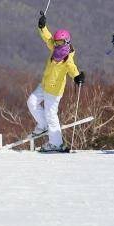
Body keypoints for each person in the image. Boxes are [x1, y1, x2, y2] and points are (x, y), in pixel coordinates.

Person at [28, 13, 85, 153]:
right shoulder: (54, 48)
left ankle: (56, 143)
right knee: (31, 102)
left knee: (51, 115)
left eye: (59, 42)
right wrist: (42, 27)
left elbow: (72, 69)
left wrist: (77, 77)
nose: (56, 44)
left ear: (66, 42)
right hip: (45, 84)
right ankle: (43, 125)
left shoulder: (67, 57)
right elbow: (47, 37)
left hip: (54, 91)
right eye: (56, 42)